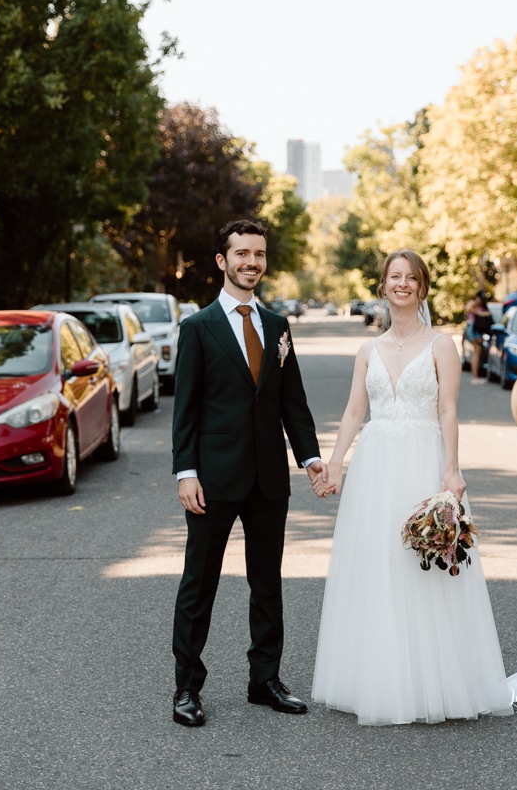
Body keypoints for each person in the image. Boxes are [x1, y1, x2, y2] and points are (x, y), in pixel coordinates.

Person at [311, 249, 513, 725]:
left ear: (422, 288)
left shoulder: (442, 345)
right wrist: (336, 464)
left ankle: (436, 682)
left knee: (425, 566)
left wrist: (452, 470)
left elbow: (447, 410)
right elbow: (355, 412)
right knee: (379, 564)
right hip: (376, 465)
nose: (401, 284)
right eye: (394, 277)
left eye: (411, 278)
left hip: (423, 460)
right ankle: (381, 679)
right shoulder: (367, 350)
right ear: (383, 286)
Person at [171, 219, 328, 727]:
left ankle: (265, 680)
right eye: (241, 254)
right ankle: (187, 688)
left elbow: (292, 402)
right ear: (223, 261)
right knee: (200, 583)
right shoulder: (197, 328)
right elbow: (186, 411)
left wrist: (310, 458)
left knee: (267, 583)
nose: (251, 263)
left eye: (258, 254)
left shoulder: (278, 326)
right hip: (212, 480)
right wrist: (186, 472)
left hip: (267, 480)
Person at [464, 290, 493, 385]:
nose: (480, 301)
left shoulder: (481, 306)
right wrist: (481, 313)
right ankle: (475, 377)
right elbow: (468, 308)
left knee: (478, 351)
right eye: (480, 299)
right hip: (473, 328)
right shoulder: (472, 304)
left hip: (477, 329)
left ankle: (476, 376)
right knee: (477, 351)